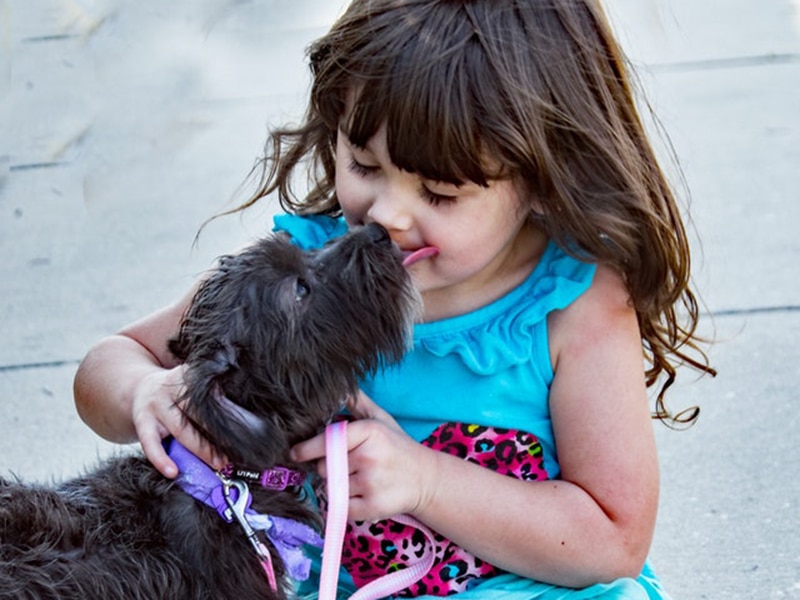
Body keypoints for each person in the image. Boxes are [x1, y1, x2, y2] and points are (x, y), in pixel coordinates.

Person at [74, 0, 716, 598]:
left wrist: (426, 481)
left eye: (439, 193)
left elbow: (612, 540)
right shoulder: (310, 268)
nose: (387, 215)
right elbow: (113, 358)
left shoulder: (572, 307)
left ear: (545, 180)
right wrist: (140, 394)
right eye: (363, 164)